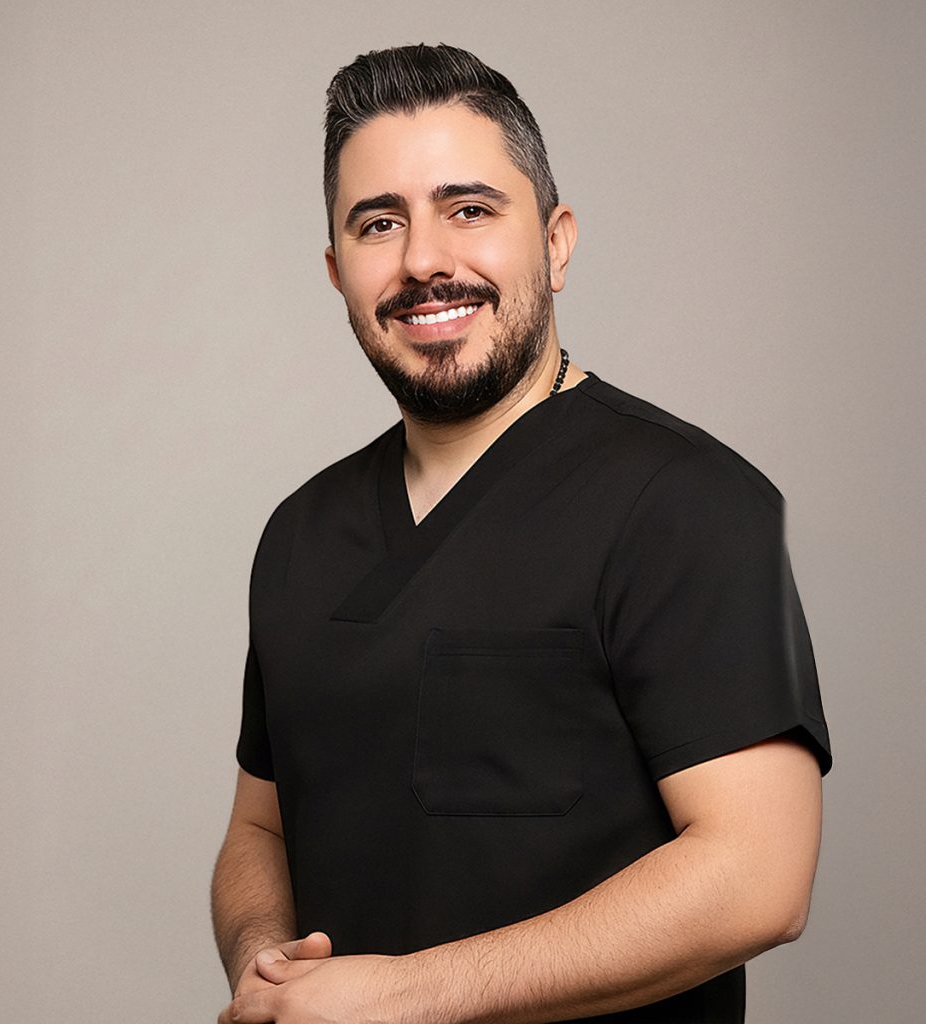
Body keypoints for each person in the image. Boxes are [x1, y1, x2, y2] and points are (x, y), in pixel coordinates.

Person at [211, 43, 831, 1024]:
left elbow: (760, 875)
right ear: (337, 270)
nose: (423, 260)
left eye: (468, 209)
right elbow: (260, 830)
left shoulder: (688, 504)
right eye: (379, 223)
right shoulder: (300, 536)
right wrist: (262, 962)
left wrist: (402, 996)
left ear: (556, 242)